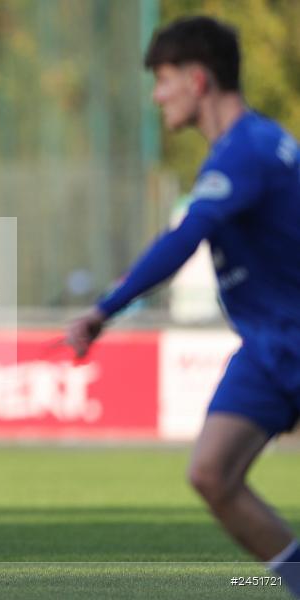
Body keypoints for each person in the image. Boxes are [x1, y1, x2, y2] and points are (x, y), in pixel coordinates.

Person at [67, 16, 300, 596]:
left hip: (292, 335)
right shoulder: (248, 148)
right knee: (212, 473)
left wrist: (104, 309)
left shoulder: (246, 150)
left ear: (197, 80)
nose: (157, 95)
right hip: (270, 345)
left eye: (164, 80)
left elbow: (183, 238)